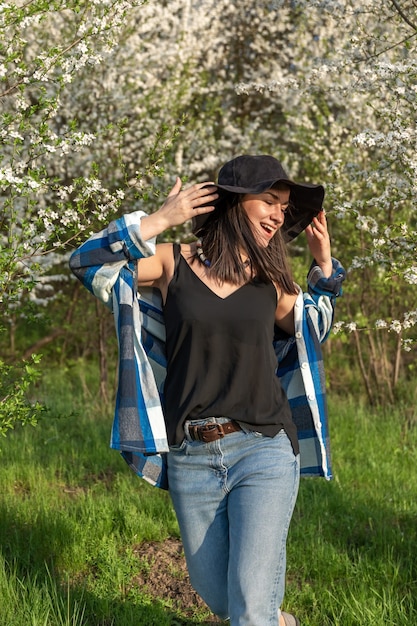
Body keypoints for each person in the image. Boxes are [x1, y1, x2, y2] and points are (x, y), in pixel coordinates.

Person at [69, 154, 346, 626]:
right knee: (222, 599)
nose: (279, 214)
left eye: (284, 205)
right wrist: (159, 219)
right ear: (236, 203)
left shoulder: (271, 281)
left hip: (265, 448)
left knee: (250, 607)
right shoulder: (172, 262)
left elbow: (311, 325)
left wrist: (324, 267)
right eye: (269, 200)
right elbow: (87, 263)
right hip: (191, 455)